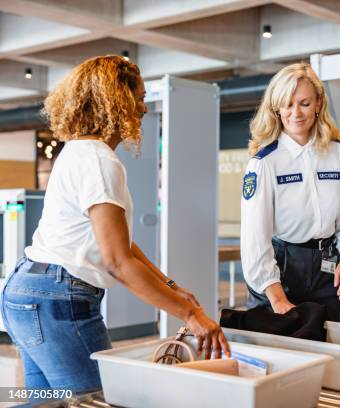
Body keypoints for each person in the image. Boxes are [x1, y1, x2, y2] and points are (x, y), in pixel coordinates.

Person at [0, 56, 229, 393]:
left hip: (26, 289)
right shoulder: (99, 160)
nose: (143, 109)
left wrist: (169, 284)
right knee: (98, 397)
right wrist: (191, 316)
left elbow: (119, 244)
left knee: (47, 401)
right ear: (116, 101)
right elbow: (117, 262)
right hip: (59, 299)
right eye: (138, 98)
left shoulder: (76, 151)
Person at [240, 62, 340, 322]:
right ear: (277, 108)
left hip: (326, 268)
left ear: (319, 103)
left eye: (305, 103)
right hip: (280, 269)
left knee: (328, 351)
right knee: (283, 357)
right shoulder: (264, 163)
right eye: (288, 104)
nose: (296, 113)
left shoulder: (339, 153)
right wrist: (276, 297)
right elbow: (255, 240)